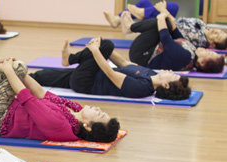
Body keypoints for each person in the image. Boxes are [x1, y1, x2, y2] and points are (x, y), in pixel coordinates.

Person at [31, 38, 191, 100]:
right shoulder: (150, 74)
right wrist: (102, 49)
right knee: (41, 76)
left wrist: (97, 50)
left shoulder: (142, 88)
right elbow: (122, 62)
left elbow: (110, 72)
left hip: (86, 82)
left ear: (166, 85)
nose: (171, 71)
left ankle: (69, 60)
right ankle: (18, 77)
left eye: (172, 76)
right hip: (90, 74)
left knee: (107, 44)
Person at [125, 12, 224, 73]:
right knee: (166, 24)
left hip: (140, 55)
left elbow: (166, 39)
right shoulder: (192, 54)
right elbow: (179, 37)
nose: (207, 50)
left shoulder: (186, 58)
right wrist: (168, 18)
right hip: (148, 49)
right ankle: (131, 27)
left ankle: (130, 27)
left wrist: (160, 18)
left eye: (209, 53)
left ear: (202, 63)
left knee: (158, 25)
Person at [104, 0, 179, 30]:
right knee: (145, 2)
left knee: (174, 6)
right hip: (171, 22)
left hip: (176, 26)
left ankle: (142, 13)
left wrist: (163, 9)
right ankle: (117, 20)